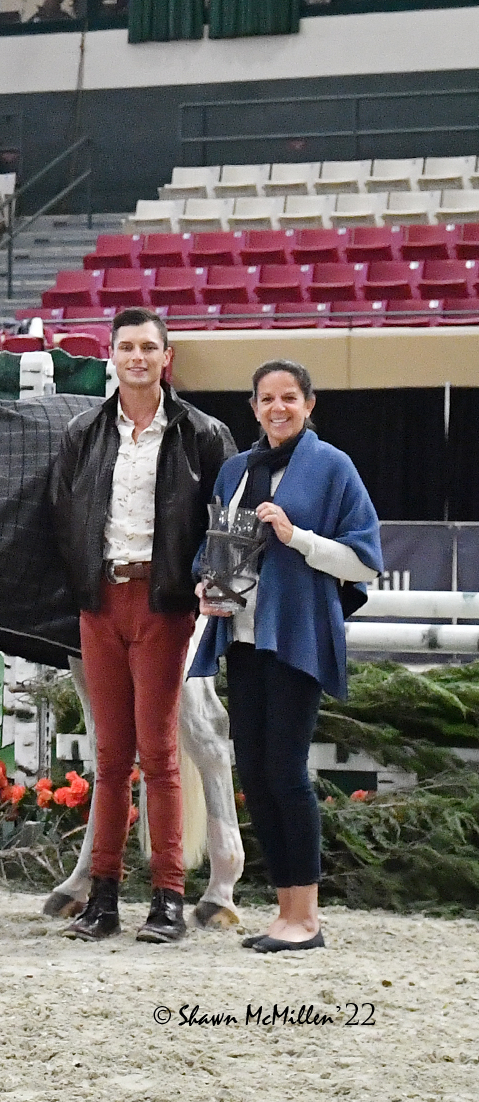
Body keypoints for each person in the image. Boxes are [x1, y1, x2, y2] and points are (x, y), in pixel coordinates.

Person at [47, 308, 235, 943]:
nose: (136, 356)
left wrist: (215, 585)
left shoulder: (203, 433)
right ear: (111, 356)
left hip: (163, 605)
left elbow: (228, 519)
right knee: (109, 755)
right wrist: (81, 586)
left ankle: (167, 899)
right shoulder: (83, 432)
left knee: (158, 753)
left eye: (147, 347)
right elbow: (61, 511)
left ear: (165, 358)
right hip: (101, 602)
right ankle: (103, 899)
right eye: (125, 346)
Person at [189, 359, 380, 953]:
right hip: (242, 640)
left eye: (289, 398)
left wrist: (298, 538)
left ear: (309, 404)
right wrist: (205, 586)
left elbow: (365, 561)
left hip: (295, 639)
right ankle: (283, 911)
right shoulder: (236, 471)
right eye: (267, 399)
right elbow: (214, 548)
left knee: (287, 773)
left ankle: (306, 918)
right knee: (257, 773)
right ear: (253, 407)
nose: (278, 408)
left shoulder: (332, 467)